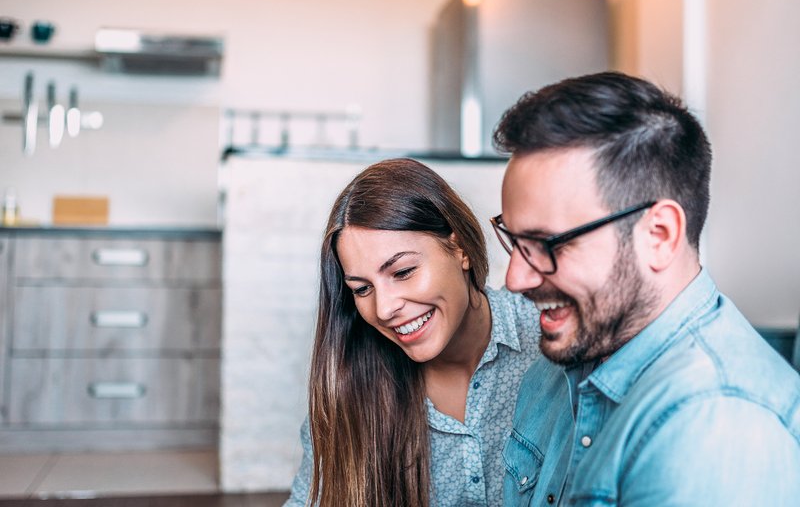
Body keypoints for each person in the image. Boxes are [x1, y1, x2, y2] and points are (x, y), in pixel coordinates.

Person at [491, 71, 800, 505]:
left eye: (546, 244)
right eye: (516, 242)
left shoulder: (715, 426)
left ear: (658, 235)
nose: (514, 279)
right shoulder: (556, 368)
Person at [284, 158, 540, 507]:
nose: (384, 308)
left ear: (459, 247)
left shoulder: (547, 338)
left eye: (402, 271)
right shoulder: (348, 391)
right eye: (362, 289)